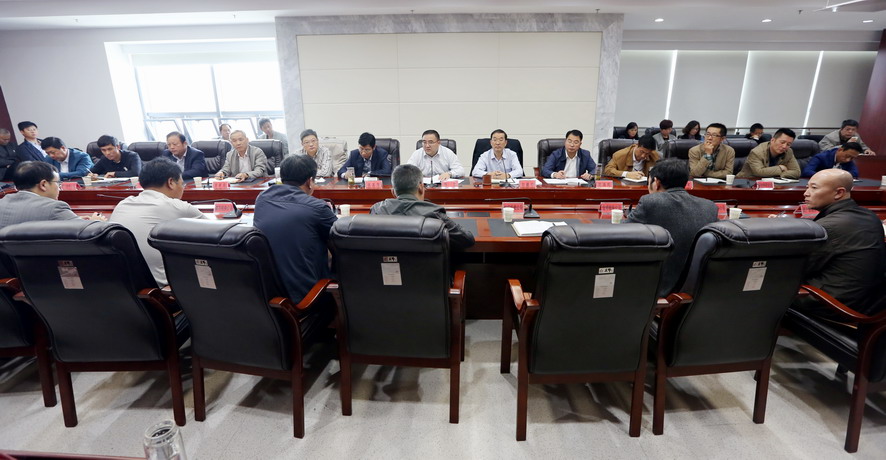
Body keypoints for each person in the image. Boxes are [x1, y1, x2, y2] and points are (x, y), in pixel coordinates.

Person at [793, 169, 885, 318]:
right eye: (807, 187)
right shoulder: (869, 215)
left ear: (839, 193)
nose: (806, 193)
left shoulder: (828, 227)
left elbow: (800, 268)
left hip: (834, 305)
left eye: (814, 188)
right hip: (869, 301)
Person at [625, 158, 718, 296]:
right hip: (698, 290)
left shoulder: (650, 202)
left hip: (658, 289)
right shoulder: (709, 206)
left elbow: (623, 235)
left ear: (656, 182)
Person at [109, 158, 206, 287]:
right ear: (171, 182)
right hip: (162, 288)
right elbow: (217, 234)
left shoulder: (122, 204)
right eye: (181, 184)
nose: (182, 188)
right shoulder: (177, 206)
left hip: (123, 287)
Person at [253, 155, 337, 301]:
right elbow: (342, 238)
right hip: (307, 297)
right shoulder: (317, 207)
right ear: (309, 181)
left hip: (268, 294)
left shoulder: (262, 198)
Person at [370, 164, 475, 250]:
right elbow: (467, 240)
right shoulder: (434, 214)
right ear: (421, 187)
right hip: (428, 270)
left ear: (393, 192)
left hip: (387, 269)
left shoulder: (377, 210)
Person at [0, 162, 103, 228]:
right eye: (57, 183)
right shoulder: (53, 208)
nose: (59, 188)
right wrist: (96, 222)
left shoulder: (2, 202)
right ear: (43, 184)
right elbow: (87, 231)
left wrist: (72, 218)